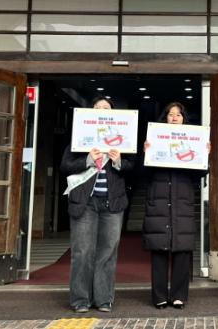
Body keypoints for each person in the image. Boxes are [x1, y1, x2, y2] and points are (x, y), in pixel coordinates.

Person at [60, 95, 135, 313]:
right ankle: (80, 299)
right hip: (85, 202)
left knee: (108, 252)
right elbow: (65, 165)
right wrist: (87, 160)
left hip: (112, 203)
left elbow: (133, 167)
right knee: (82, 252)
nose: (102, 110)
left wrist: (118, 161)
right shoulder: (79, 136)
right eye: (97, 107)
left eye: (106, 107)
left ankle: (103, 299)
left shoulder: (123, 137)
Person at [142, 102, 209, 309]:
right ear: (165, 118)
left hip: (182, 203)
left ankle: (179, 295)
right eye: (170, 114)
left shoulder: (191, 141)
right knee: (159, 250)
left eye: (178, 115)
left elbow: (199, 174)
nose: (174, 118)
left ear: (183, 119)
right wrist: (146, 154)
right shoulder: (155, 140)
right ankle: (159, 296)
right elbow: (142, 174)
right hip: (159, 203)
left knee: (182, 250)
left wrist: (204, 154)